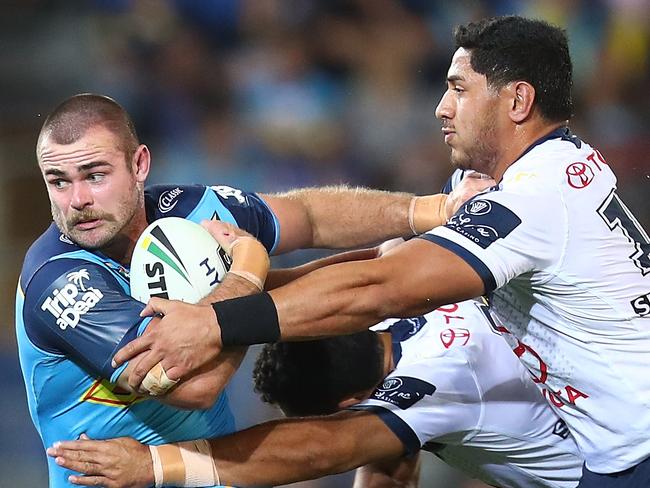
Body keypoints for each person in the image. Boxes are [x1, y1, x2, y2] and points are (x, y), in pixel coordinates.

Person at [112, 16, 650, 487]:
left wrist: (218, 321)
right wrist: (240, 281)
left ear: (518, 100)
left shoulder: (531, 200)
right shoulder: (508, 178)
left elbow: (379, 289)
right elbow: (387, 264)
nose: (441, 108)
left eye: (459, 89)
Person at [16, 93, 486, 487]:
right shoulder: (60, 281)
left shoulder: (187, 209)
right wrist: (246, 272)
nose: (77, 201)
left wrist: (436, 211)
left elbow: (310, 215)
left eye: (95, 176)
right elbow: (199, 385)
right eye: (58, 182)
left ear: (139, 164)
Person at [48, 299, 584, 488]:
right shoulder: (409, 299)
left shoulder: (421, 395)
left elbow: (317, 449)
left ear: (347, 406)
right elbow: (389, 468)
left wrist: (154, 464)